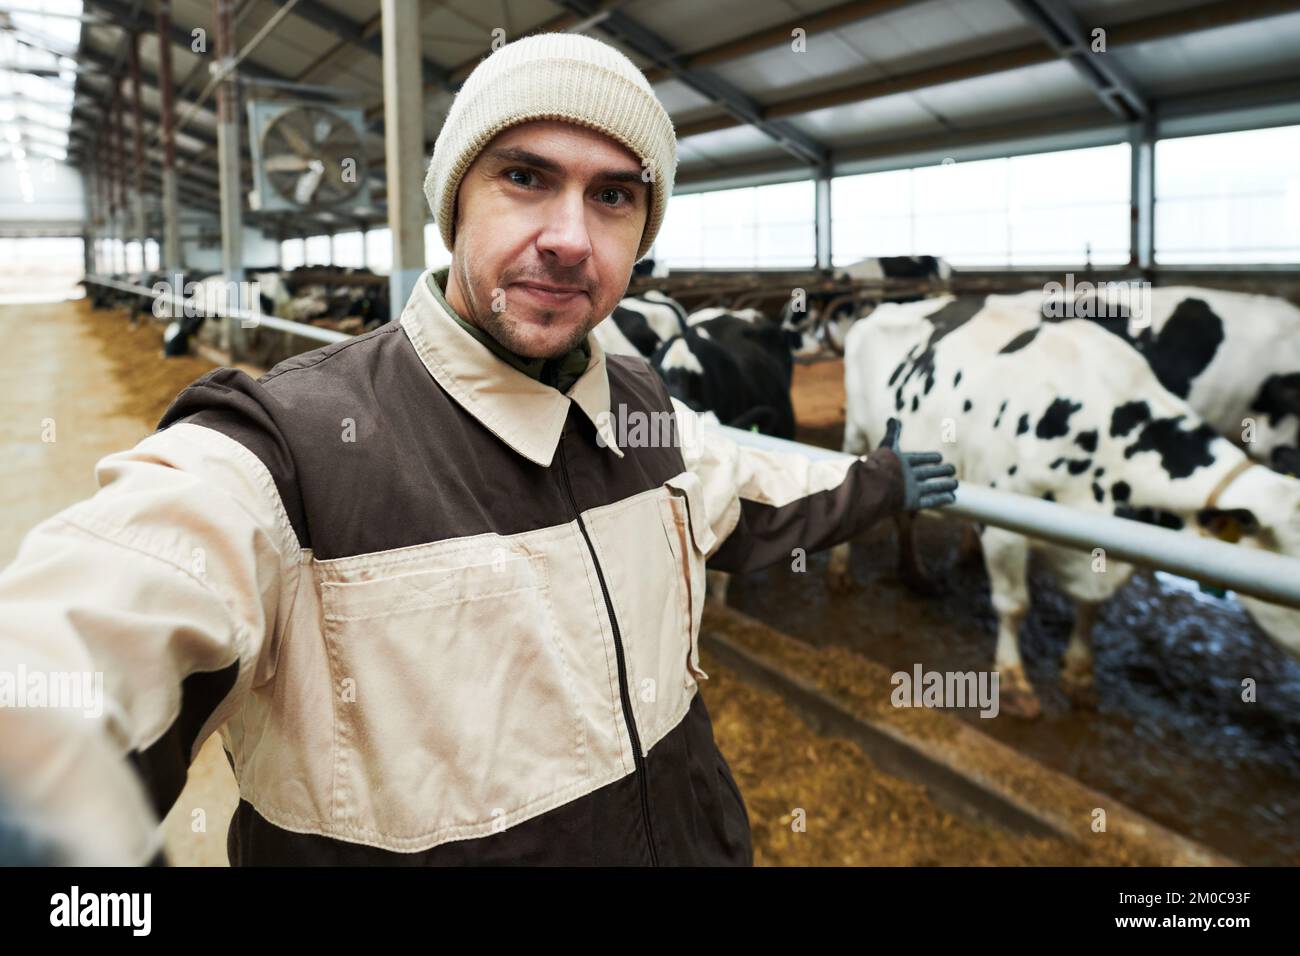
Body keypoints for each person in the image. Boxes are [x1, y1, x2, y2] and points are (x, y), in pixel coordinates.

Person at [0, 33, 955, 866]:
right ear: (454, 203)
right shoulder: (286, 453)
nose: (570, 239)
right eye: (526, 177)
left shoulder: (644, 411)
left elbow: (747, 490)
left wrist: (879, 481)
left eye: (615, 196)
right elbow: (100, 614)